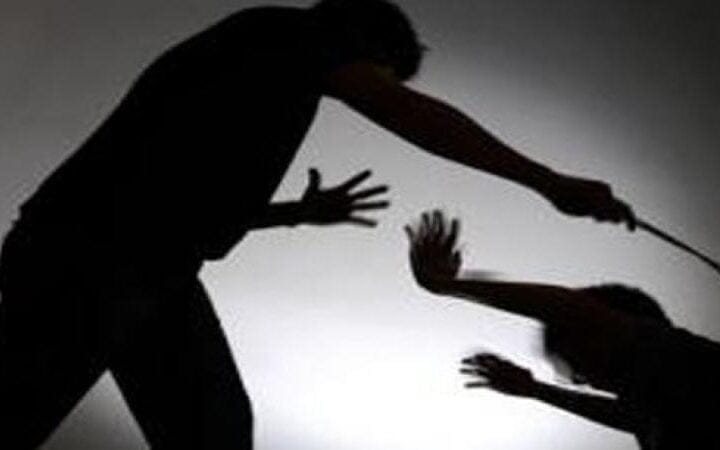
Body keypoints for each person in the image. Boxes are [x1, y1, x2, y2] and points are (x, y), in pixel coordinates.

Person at [1, 0, 634, 447]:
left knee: (216, 430)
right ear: (365, 42)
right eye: (381, 73)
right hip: (90, 253)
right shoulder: (290, 34)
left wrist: (295, 215)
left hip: (148, 263)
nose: (371, 86)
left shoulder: (251, 63)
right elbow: (407, 112)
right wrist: (547, 181)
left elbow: (173, 195)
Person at [405, 210, 720, 449]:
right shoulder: (659, 404)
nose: (579, 379)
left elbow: (569, 309)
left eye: (572, 363)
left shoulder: (683, 361)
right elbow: (626, 415)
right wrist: (536, 390)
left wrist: (445, 285)